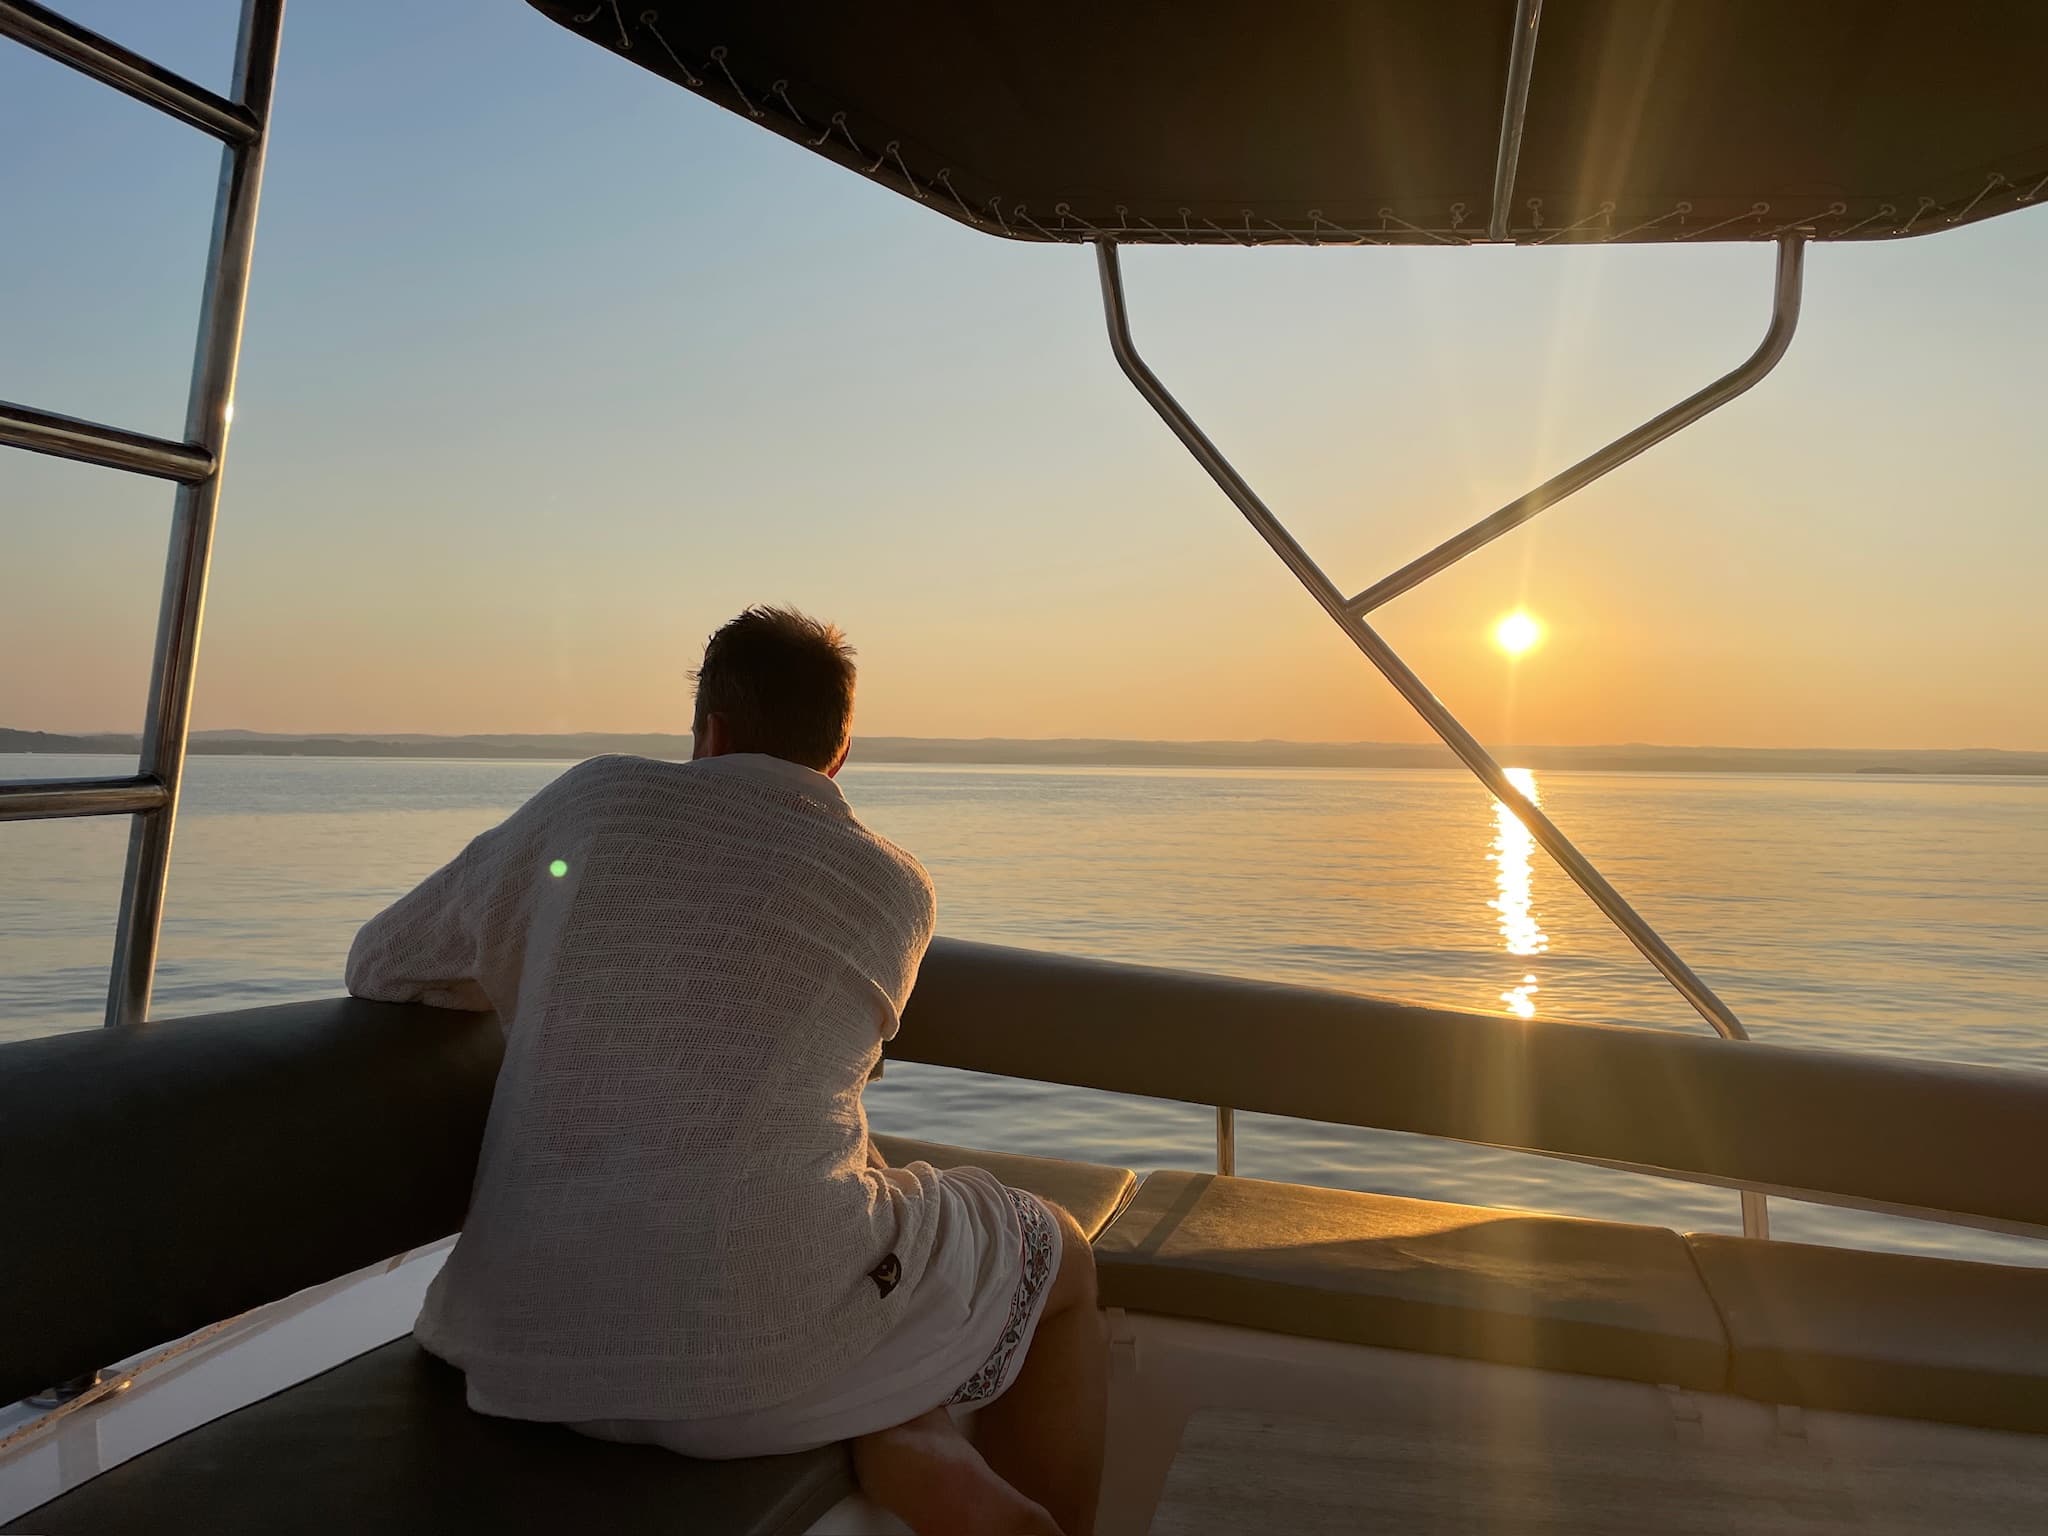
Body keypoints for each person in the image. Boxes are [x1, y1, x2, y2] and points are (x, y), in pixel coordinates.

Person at [345, 606, 1106, 1536]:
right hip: (752, 1357)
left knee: (829, 1228)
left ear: (707, 729)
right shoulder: (895, 885)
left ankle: (905, 1422)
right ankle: (926, 1441)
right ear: (840, 753)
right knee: (1060, 1252)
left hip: (511, 1348)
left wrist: (541, 970)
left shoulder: (594, 804)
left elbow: (382, 962)